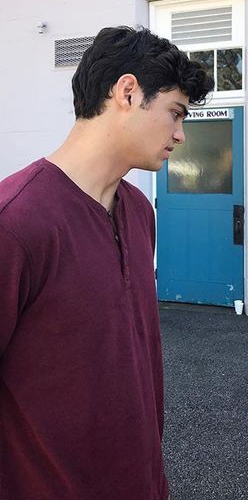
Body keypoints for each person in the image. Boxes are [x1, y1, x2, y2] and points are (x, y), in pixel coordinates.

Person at [0, 26, 214, 500]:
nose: (180, 134)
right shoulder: (16, 221)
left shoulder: (140, 212)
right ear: (127, 91)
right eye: (175, 114)